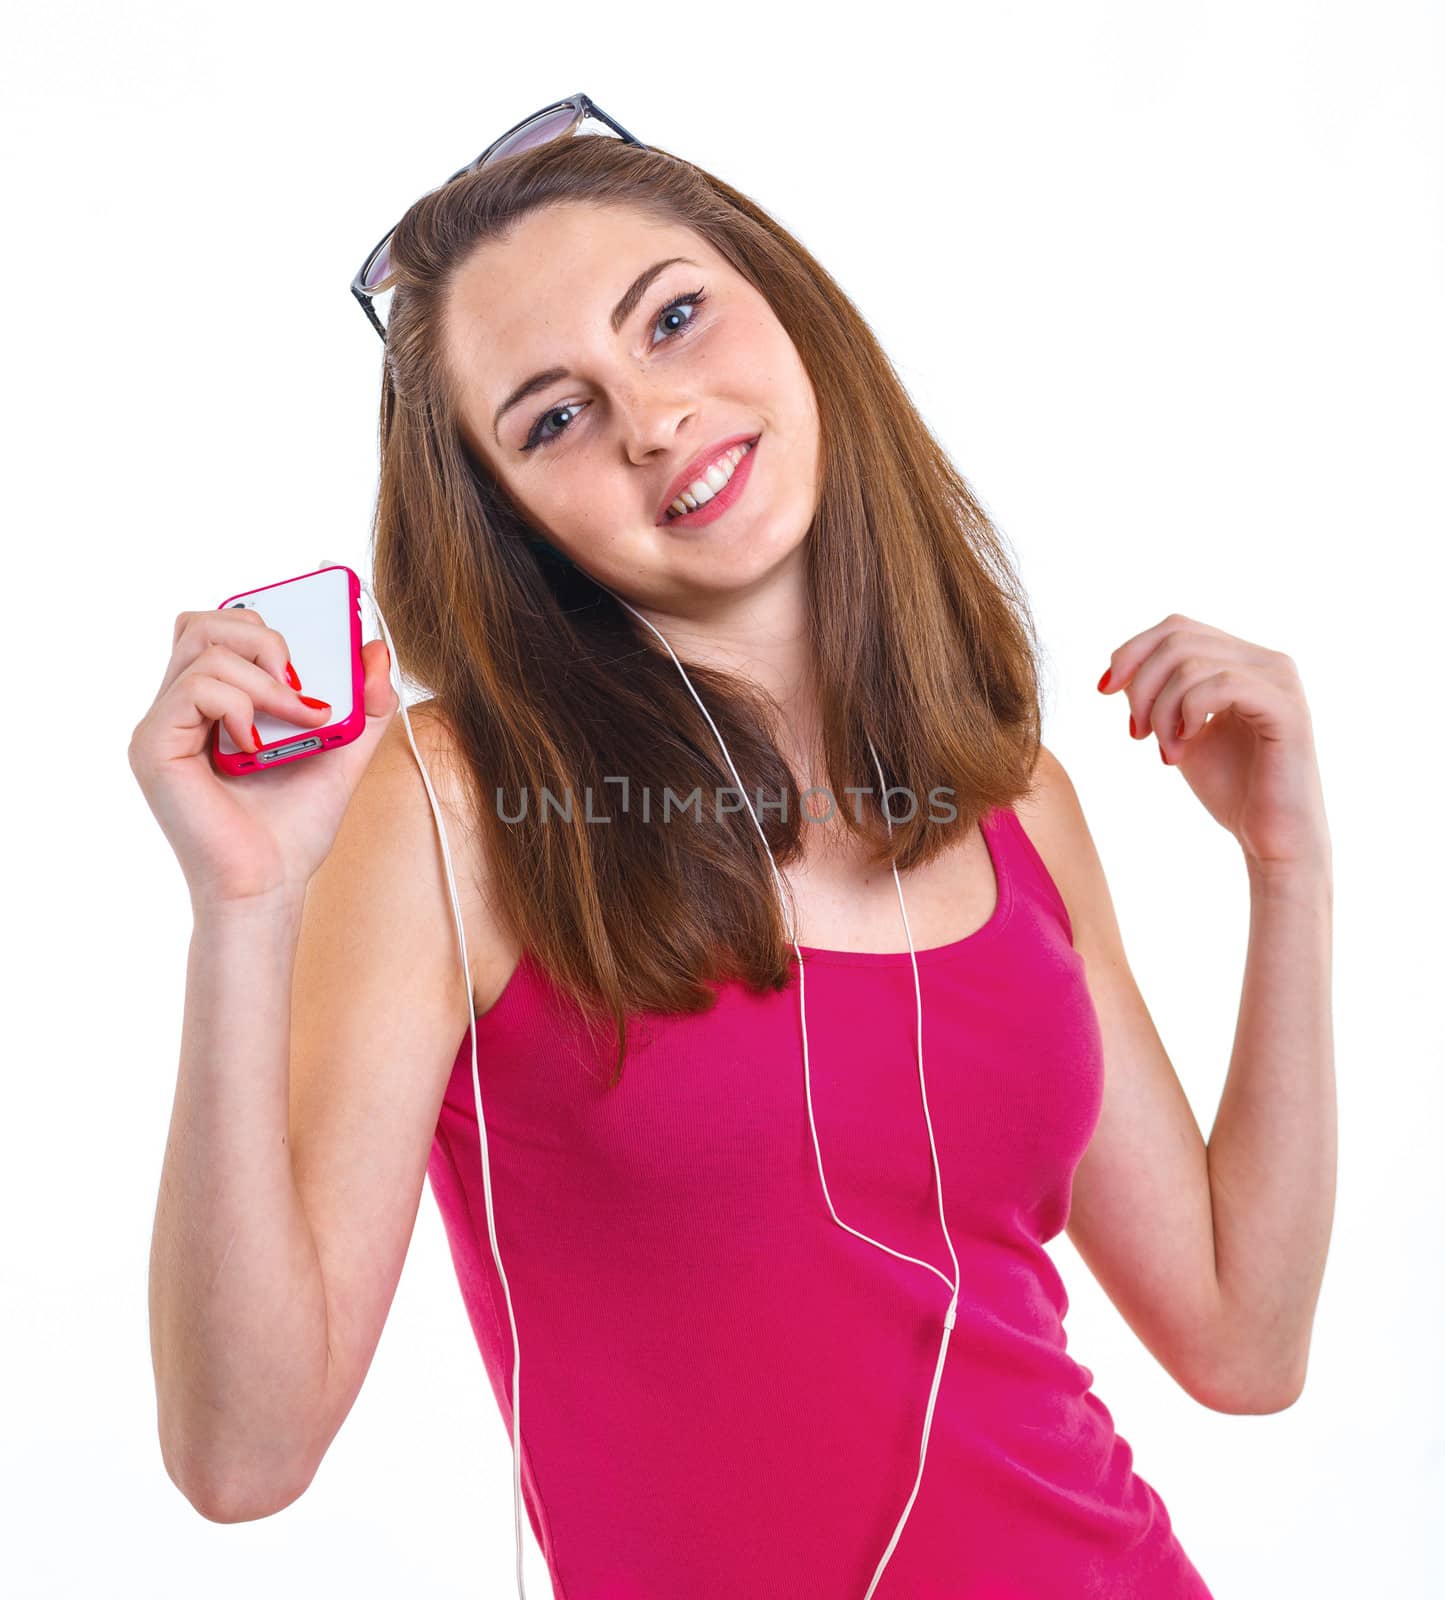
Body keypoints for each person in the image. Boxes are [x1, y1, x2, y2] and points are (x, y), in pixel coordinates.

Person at [132, 112, 1332, 1599]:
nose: (651, 415)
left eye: (675, 317)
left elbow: (1241, 1341)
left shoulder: (1012, 795)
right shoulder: (456, 810)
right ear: (503, 521)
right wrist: (243, 907)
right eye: (551, 418)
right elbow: (242, 1457)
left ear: (786, 303)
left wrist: (1287, 873)